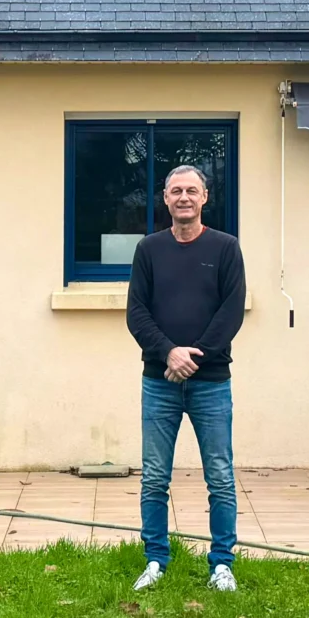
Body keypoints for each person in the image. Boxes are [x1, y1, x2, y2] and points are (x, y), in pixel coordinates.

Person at [125, 161, 246, 592]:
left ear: (205, 198)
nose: (183, 198)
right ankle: (155, 561)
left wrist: (195, 358)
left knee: (220, 475)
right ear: (165, 198)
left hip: (212, 382)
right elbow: (136, 312)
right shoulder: (149, 250)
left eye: (191, 191)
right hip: (158, 382)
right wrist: (168, 352)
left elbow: (231, 311)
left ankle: (222, 565)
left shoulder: (226, 248)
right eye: (176, 191)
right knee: (155, 476)